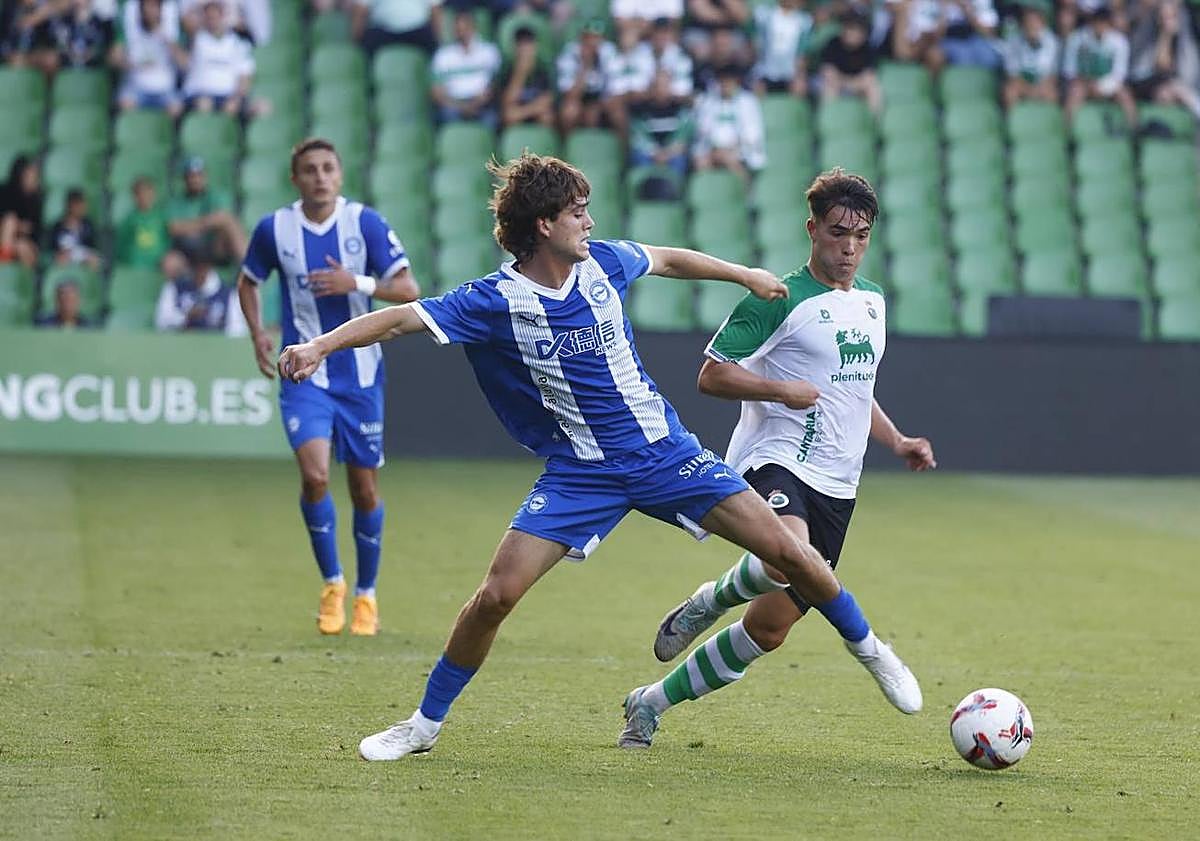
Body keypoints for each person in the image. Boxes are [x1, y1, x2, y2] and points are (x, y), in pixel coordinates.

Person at [275, 153, 923, 761]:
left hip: (666, 453)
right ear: (544, 225)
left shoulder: (604, 262)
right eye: (578, 212)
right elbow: (399, 319)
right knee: (496, 595)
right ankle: (421, 726)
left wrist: (741, 272)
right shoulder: (494, 300)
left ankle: (873, 650)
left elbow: (668, 258)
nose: (590, 221)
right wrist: (317, 347)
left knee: (790, 555)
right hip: (581, 472)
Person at [618, 168, 936, 748]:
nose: (850, 247)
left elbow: (853, 390)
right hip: (776, 459)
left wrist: (897, 440)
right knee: (793, 556)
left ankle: (650, 701)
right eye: (839, 232)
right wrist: (780, 391)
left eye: (862, 235)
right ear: (812, 229)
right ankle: (863, 645)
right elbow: (711, 376)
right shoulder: (777, 298)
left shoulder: (872, 302)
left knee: (769, 629)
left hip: (840, 481)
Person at [236, 138, 420, 637]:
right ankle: (333, 584)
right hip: (304, 372)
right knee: (316, 475)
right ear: (295, 178)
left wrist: (354, 283)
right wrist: (258, 333)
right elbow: (249, 280)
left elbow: (408, 289)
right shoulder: (275, 228)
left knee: (364, 489)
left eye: (328, 168)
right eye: (310, 170)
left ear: (339, 175)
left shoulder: (365, 224)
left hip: (360, 377)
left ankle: (367, 593)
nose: (320, 176)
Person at [1063, 6, 1138, 126]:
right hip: (1083, 83)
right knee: (1074, 93)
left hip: (1109, 84)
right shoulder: (1076, 38)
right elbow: (1069, 69)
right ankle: (1068, 133)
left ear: (1109, 24)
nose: (1100, 26)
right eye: (1097, 22)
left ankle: (1134, 131)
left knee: (1125, 95)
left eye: (1104, 23)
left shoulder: (1120, 42)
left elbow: (1119, 74)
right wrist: (1087, 83)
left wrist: (1101, 87)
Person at [110, 0, 187, 117]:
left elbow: (184, 63)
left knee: (176, 107)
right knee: (125, 104)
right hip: (136, 86)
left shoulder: (170, 31)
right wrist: (128, 63)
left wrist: (165, 38)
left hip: (165, 88)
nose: (150, 12)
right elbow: (113, 59)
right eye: (147, 7)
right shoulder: (129, 27)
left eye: (154, 7)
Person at [692, 63, 767, 180]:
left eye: (728, 81)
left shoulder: (748, 102)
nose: (725, 85)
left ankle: (746, 194)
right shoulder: (708, 102)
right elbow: (703, 130)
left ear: (736, 82)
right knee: (700, 163)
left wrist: (731, 149)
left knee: (730, 161)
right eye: (722, 81)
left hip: (740, 151)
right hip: (712, 151)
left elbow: (752, 134)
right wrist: (716, 149)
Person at [168, 156, 247, 266]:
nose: (195, 180)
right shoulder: (176, 202)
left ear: (205, 176)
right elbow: (174, 228)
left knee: (229, 223)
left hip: (212, 246)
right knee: (170, 261)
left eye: (199, 175)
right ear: (185, 178)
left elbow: (222, 218)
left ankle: (250, 271)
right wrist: (206, 223)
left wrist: (192, 226)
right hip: (187, 250)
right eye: (191, 176)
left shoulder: (216, 196)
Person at [430, 8, 502, 127]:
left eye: (465, 28)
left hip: (482, 103)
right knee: (444, 116)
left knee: (492, 118)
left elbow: (494, 86)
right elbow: (437, 93)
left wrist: (474, 104)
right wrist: (461, 107)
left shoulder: (489, 52)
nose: (462, 33)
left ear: (473, 27)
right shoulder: (443, 55)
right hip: (453, 104)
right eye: (459, 29)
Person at [155, 246, 248, 335]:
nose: (199, 272)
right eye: (196, 267)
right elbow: (162, 322)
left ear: (209, 266)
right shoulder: (174, 288)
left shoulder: (228, 294)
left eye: (203, 267)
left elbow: (237, 330)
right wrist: (186, 317)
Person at [819, 9, 883, 115]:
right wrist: (850, 82)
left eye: (858, 30)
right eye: (850, 28)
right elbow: (828, 73)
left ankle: (873, 125)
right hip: (832, 84)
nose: (853, 33)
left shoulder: (868, 48)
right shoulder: (833, 44)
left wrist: (848, 83)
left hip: (853, 86)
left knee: (874, 88)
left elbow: (869, 77)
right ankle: (828, 124)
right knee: (829, 88)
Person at [1003, 2, 1061, 109]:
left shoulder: (1052, 42)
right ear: (1022, 25)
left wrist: (1038, 89)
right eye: (1028, 22)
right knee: (1010, 90)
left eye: (1035, 22)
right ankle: (1013, 123)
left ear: (1043, 24)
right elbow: (1012, 75)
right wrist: (1029, 90)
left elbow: (1052, 76)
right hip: (1022, 84)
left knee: (1052, 92)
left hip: (1043, 85)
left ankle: (1049, 123)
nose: (1032, 25)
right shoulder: (1012, 43)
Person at [498, 24, 555, 128]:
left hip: (527, 113)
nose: (525, 50)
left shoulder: (542, 70)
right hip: (519, 115)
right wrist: (521, 72)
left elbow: (547, 100)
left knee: (547, 116)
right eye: (521, 45)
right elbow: (507, 102)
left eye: (528, 45)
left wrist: (523, 112)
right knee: (509, 115)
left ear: (535, 46)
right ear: (515, 48)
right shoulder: (507, 71)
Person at [116, 176, 173, 269]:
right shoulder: (128, 220)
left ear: (153, 194)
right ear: (134, 196)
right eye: (139, 193)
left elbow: (168, 242)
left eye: (147, 192)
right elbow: (121, 246)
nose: (144, 196)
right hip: (133, 267)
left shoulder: (162, 217)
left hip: (157, 267)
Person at [0, 156, 43, 269]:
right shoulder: (4, 192)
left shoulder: (36, 201)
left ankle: (22, 282)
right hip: (5, 238)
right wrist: (18, 226)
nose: (34, 179)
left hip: (25, 243)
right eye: (30, 175)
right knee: (10, 221)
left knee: (22, 247)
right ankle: (4, 268)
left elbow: (34, 231)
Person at [49, 187, 102, 269]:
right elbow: (52, 250)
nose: (83, 208)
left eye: (83, 204)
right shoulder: (58, 227)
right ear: (71, 205)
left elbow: (93, 248)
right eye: (79, 204)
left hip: (84, 260)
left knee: (94, 261)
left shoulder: (88, 225)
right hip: (64, 259)